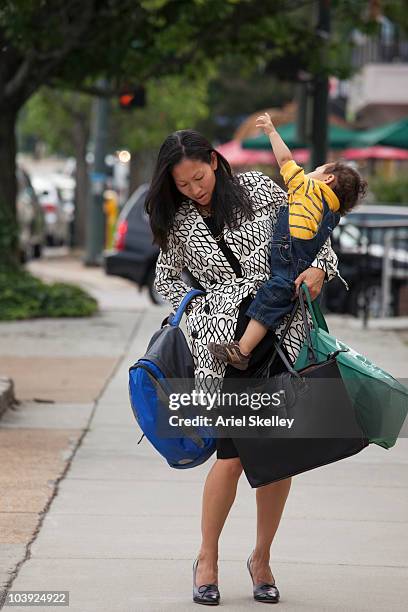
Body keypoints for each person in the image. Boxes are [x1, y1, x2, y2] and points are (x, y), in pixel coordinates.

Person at [146, 129, 340, 606]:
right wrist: (198, 314)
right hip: (227, 347)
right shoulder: (178, 223)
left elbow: (310, 231)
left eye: (199, 176)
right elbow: (166, 282)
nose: (195, 188)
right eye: (184, 184)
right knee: (230, 458)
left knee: (277, 459)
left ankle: (261, 557)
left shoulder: (258, 190)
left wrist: (320, 270)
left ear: (214, 161)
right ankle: (207, 558)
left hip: (282, 337)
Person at [208, 112, 367, 370]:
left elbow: (285, 159)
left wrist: (272, 131)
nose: (309, 172)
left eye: (316, 170)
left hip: (287, 262)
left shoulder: (308, 190)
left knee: (270, 300)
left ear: (328, 179)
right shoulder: (331, 214)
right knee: (275, 301)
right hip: (299, 263)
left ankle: (243, 351)